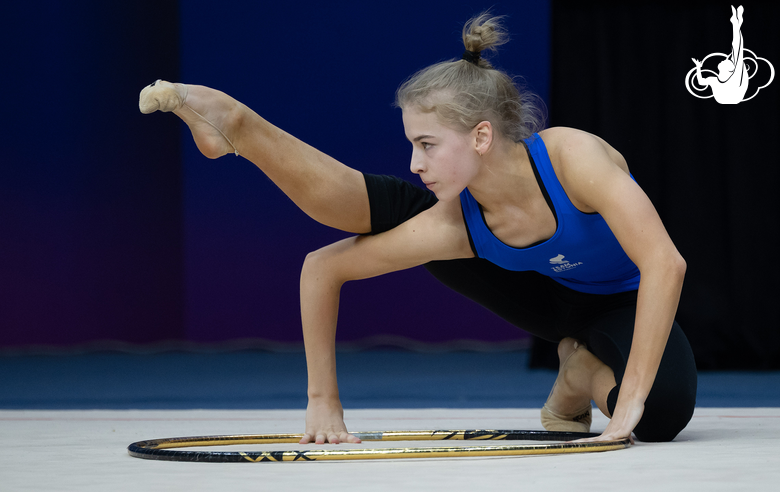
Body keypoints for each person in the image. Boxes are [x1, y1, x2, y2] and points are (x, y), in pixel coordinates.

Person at [139, 12, 697, 446]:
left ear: (481, 136)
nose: (413, 162)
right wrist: (322, 400)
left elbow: (665, 264)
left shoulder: (575, 160)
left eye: (426, 145)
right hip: (532, 292)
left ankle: (576, 377)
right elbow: (323, 267)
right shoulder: (454, 220)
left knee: (660, 414)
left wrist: (628, 402)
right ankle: (241, 125)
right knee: (389, 208)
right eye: (413, 144)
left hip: (621, 301)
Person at [692, 5, 748, 104]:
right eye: (728, 61)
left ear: (729, 69)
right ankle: (736, 24)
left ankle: (736, 24)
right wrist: (698, 67)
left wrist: (698, 67)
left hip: (732, 95)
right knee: (737, 52)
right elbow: (700, 82)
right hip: (731, 96)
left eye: (727, 61)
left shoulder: (721, 79)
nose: (724, 59)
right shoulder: (716, 79)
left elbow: (738, 50)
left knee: (737, 51)